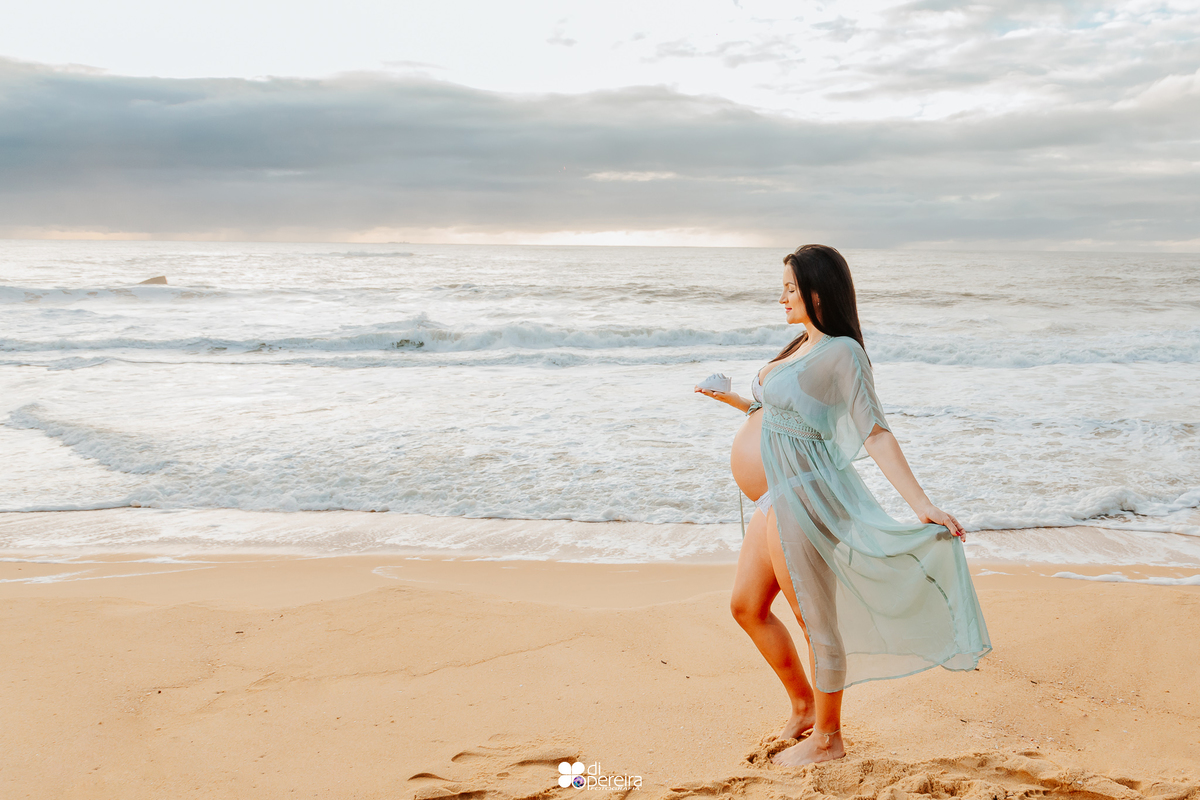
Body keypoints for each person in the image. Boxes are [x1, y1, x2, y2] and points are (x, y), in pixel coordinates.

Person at [695, 244, 991, 766]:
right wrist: (734, 401)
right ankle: (805, 707)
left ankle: (829, 739)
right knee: (746, 606)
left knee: (815, 621)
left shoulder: (843, 353)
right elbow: (778, 412)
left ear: (818, 289)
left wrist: (922, 504)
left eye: (790, 287)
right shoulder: (798, 347)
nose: (781, 296)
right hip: (773, 497)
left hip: (807, 497)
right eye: (782, 287)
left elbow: (874, 432)